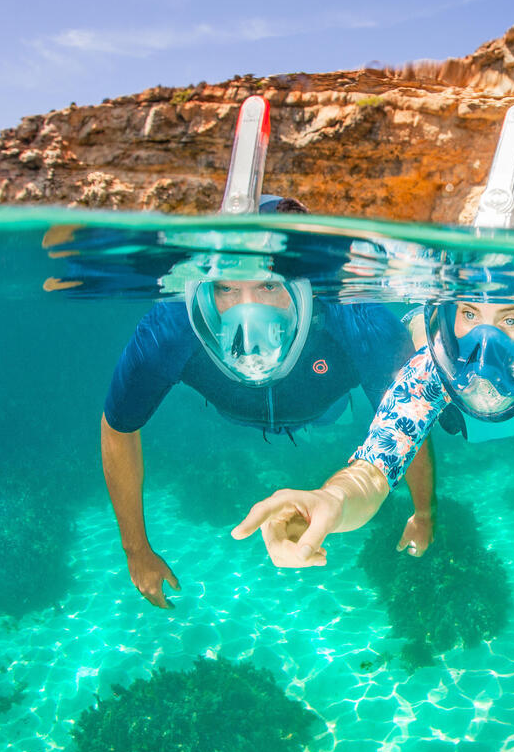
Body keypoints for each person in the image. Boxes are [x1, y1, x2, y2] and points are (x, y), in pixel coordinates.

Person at [101, 196, 435, 609]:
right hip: (233, 411)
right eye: (225, 288)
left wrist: (424, 512)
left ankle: (421, 333)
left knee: (402, 379)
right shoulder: (172, 325)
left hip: (325, 401)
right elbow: (118, 426)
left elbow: (407, 419)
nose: (247, 310)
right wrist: (136, 550)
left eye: (269, 285)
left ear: (304, 281)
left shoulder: (355, 313)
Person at [231, 260, 514, 573]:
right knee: (410, 354)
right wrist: (333, 500)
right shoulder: (432, 370)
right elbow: (377, 464)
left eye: (512, 319)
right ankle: (419, 325)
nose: (485, 343)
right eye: (468, 314)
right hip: (459, 413)